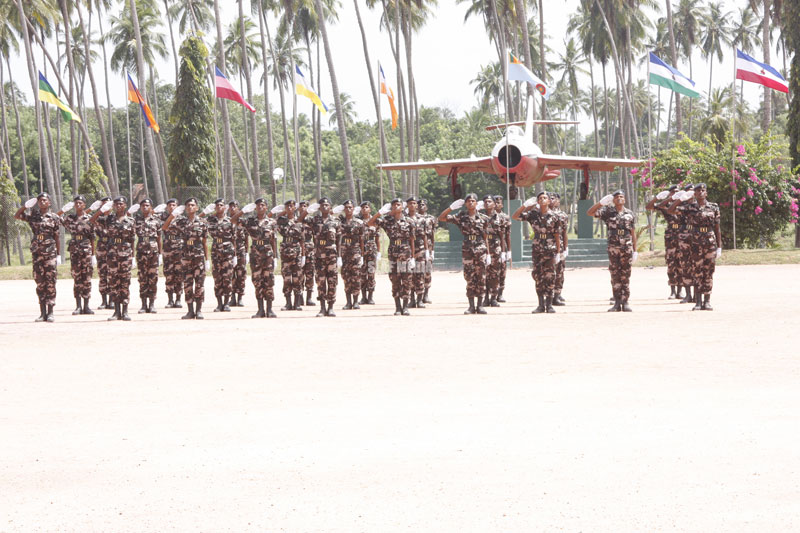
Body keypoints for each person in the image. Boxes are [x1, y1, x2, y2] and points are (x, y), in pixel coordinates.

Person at [667, 183, 721, 310]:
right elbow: (670, 210)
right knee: (697, 271)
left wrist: (719, 247)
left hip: (709, 241)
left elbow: (717, 227)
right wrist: (680, 199)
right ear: (694, 194)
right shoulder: (690, 207)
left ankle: (707, 301)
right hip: (695, 242)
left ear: (706, 193)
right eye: (698, 191)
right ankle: (698, 301)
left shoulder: (713, 207)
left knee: (708, 272)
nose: (701, 192)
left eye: (703, 190)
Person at [438, 193, 490, 315]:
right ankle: (471, 306)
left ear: (476, 203)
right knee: (469, 277)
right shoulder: (461, 216)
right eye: (468, 201)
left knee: (481, 277)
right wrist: (451, 208)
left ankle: (480, 306)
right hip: (467, 249)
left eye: (473, 201)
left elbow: (485, 236)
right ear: (465, 204)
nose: (470, 203)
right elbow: (441, 218)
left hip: (480, 248)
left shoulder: (484, 218)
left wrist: (488, 253)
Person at [587, 190, 638, 312]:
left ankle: (625, 302)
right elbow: (589, 213)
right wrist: (600, 203)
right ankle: (617, 302)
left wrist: (635, 250)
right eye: (616, 197)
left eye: (621, 196)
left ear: (624, 199)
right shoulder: (608, 212)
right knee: (615, 275)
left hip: (626, 248)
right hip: (613, 248)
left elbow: (632, 232)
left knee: (625, 275)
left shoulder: (630, 214)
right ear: (613, 200)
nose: (619, 198)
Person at [15, 192, 62, 322]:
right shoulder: (33, 216)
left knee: (50, 282)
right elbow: (17, 215)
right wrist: (25, 206)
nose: (42, 202)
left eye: (45, 200)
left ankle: (50, 312)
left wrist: (58, 254)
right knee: (40, 282)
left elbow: (57, 236)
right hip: (37, 254)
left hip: (50, 253)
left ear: (49, 203)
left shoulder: (54, 217)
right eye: (40, 200)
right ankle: (42, 313)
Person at [513, 192, 562, 314]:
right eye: (540, 198)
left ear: (549, 201)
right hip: (537, 250)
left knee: (550, 276)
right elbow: (515, 216)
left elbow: (557, 235)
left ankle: (549, 305)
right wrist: (525, 205)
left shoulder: (555, 216)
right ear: (538, 201)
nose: (542, 199)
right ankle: (540, 305)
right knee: (538, 276)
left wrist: (559, 252)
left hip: (550, 249)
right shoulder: (533, 214)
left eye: (545, 198)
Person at [368, 198, 415, 316]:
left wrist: (413, 257)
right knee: (395, 280)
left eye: (398, 204)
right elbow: (370, 223)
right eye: (394, 205)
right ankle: (398, 307)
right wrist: (380, 212)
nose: (396, 206)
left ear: (402, 207)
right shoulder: (387, 221)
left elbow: (412, 240)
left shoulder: (409, 221)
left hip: (405, 252)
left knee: (406, 280)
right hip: (393, 253)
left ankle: (405, 307)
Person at [91, 196, 136, 321]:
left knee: (125, 282)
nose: (119, 206)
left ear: (125, 205)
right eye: (116, 204)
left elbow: (132, 239)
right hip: (112, 254)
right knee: (113, 282)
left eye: (121, 204)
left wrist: (133, 257)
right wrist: (101, 210)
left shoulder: (131, 221)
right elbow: (92, 220)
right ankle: (116, 311)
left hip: (125, 254)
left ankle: (125, 311)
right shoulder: (108, 219)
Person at [163, 197, 208, 319]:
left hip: (198, 256)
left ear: (197, 208)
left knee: (199, 284)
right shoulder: (181, 222)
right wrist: (172, 215)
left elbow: (204, 242)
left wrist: (207, 260)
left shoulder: (202, 222)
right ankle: (190, 311)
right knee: (188, 283)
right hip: (185, 256)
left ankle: (199, 310)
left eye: (193, 205)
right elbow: (165, 227)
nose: (190, 207)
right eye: (188, 205)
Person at [233, 198, 278, 318]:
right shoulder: (250, 221)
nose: (260, 207)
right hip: (255, 254)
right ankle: (260, 310)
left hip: (267, 254)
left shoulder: (272, 222)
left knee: (269, 281)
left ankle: (269, 309)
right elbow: (233, 220)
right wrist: (242, 211)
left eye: (262, 205)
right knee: (257, 281)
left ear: (266, 207)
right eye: (258, 205)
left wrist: (275, 257)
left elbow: (273, 241)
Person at [299, 197, 341, 317]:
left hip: (332, 255)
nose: (324, 207)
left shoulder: (336, 221)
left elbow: (339, 240)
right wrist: (307, 211)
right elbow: (299, 220)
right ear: (319, 207)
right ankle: (322, 308)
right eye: (322, 205)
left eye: (327, 205)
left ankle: (331, 307)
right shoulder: (314, 220)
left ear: (330, 207)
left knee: (332, 281)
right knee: (320, 281)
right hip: (318, 255)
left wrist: (339, 256)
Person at [58, 194, 95, 315]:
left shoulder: (89, 218)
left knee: (87, 278)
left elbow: (92, 237)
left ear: (84, 205)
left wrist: (93, 255)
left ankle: (86, 306)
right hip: (75, 250)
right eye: (76, 203)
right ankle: (78, 306)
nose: (78, 205)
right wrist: (63, 210)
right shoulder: (70, 218)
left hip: (86, 249)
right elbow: (55, 218)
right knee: (77, 277)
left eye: (80, 203)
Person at [647, 185, 682, 299]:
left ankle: (680, 291)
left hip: (683, 234)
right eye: (673, 192)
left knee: (682, 263)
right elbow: (649, 207)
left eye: (677, 192)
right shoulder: (665, 205)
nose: (675, 193)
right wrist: (657, 198)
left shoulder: (683, 204)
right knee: (671, 263)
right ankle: (672, 290)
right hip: (671, 235)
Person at [206, 198, 236, 312]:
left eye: (221, 205)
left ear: (225, 207)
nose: (219, 207)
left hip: (228, 251)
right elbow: (198, 220)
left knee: (227, 277)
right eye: (217, 205)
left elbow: (234, 238)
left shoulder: (230, 220)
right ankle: (219, 304)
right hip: (216, 250)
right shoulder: (211, 220)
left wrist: (235, 256)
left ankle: (226, 303)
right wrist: (206, 212)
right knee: (217, 277)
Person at [276, 199, 305, 311]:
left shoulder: (299, 221)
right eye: (287, 206)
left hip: (296, 253)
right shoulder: (282, 221)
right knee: (287, 278)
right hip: (285, 254)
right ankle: (288, 303)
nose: (289, 208)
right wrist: (283, 212)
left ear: (294, 208)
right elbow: (275, 219)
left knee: (297, 278)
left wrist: (303, 256)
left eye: (291, 206)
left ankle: (297, 303)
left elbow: (302, 240)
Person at [133, 198, 162, 314]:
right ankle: (144, 304)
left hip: (153, 251)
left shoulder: (156, 220)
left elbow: (159, 238)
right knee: (142, 278)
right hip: (141, 251)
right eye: (143, 206)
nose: (145, 207)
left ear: (151, 207)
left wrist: (160, 254)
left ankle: (152, 304)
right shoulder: (136, 220)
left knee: (153, 278)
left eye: (147, 205)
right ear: (140, 208)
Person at [337, 200, 365, 310]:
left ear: (353, 209)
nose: (348, 209)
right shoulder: (339, 222)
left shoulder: (359, 222)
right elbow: (338, 240)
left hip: (355, 252)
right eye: (346, 207)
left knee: (356, 277)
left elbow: (362, 240)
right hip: (344, 253)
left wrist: (362, 255)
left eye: (350, 207)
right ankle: (348, 302)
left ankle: (356, 301)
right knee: (346, 277)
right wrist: (339, 256)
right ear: (343, 209)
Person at [160, 198, 184, 308]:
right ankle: (170, 300)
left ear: (177, 206)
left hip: (179, 247)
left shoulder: (182, 219)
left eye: (174, 205)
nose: (171, 207)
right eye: (169, 205)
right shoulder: (163, 217)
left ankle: (178, 299)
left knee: (179, 273)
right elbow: (163, 228)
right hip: (167, 247)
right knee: (168, 273)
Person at [483, 195, 506, 308]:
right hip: (483, 247)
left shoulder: (500, 218)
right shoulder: (480, 217)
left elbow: (502, 236)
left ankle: (493, 298)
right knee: (484, 274)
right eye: (485, 202)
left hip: (495, 247)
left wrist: (503, 252)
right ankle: (485, 297)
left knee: (495, 274)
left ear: (494, 204)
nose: (487, 203)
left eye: (489, 201)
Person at [406, 196, 429, 308]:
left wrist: (427, 250)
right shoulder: (403, 218)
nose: (412, 205)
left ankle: (419, 299)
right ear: (407, 205)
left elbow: (425, 236)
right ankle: (411, 299)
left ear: (416, 205)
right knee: (408, 275)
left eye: (414, 203)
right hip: (406, 249)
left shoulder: (422, 219)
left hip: (419, 249)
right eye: (410, 203)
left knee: (420, 274)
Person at [675, 183, 696, 303]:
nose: (691, 193)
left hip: (697, 237)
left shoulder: (700, 205)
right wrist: (679, 199)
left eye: (693, 191)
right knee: (685, 265)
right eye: (688, 191)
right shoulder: (683, 206)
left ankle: (697, 295)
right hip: (684, 237)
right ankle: (688, 295)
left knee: (697, 266)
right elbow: (670, 210)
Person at [357, 201, 380, 305]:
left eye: (366, 207)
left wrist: (378, 252)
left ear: (370, 209)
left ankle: (370, 297)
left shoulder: (375, 221)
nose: (364, 209)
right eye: (362, 208)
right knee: (362, 274)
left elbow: (377, 238)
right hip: (361, 250)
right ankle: (363, 297)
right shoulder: (358, 221)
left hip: (371, 250)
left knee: (371, 273)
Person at [549, 192, 569, 305]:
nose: (551, 200)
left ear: (558, 201)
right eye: (550, 198)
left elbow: (564, 233)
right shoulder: (542, 214)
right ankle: (549, 295)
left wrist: (565, 248)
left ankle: (557, 294)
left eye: (554, 198)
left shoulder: (562, 215)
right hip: (547, 247)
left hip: (559, 246)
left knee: (559, 271)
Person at [94, 196, 113, 309]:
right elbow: (90, 221)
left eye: (108, 204)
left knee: (112, 274)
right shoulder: (99, 218)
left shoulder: (114, 218)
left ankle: (112, 300)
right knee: (102, 275)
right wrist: (99, 211)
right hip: (101, 248)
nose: (106, 206)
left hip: (112, 247)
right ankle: (104, 301)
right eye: (104, 204)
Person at [229, 200, 248, 306]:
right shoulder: (227, 221)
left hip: (241, 251)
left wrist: (247, 253)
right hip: (229, 251)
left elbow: (246, 238)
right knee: (231, 275)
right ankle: (232, 297)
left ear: (238, 208)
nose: (233, 208)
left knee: (241, 274)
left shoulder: (243, 222)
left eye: (235, 206)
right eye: (231, 206)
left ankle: (240, 297)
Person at [492, 195, 511, 303]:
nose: (497, 204)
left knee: (502, 271)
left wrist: (509, 251)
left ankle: (500, 293)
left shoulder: (505, 217)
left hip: (501, 246)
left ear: (502, 204)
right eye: (495, 202)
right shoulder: (487, 216)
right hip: (491, 246)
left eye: (499, 202)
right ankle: (490, 293)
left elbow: (507, 235)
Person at [298, 200, 316, 306]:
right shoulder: (296, 220)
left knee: (310, 274)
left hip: (310, 249)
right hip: (298, 250)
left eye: (305, 206)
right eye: (301, 206)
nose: (303, 208)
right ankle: (299, 297)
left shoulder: (311, 221)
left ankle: (309, 297)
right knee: (299, 274)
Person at [418, 199, 435, 304]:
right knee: (416, 271)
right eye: (419, 205)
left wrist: (432, 251)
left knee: (427, 271)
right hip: (417, 246)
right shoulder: (413, 218)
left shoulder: (431, 218)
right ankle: (416, 296)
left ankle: (426, 295)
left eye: (423, 205)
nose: (421, 206)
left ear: (427, 207)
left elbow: (432, 234)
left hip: (428, 246)